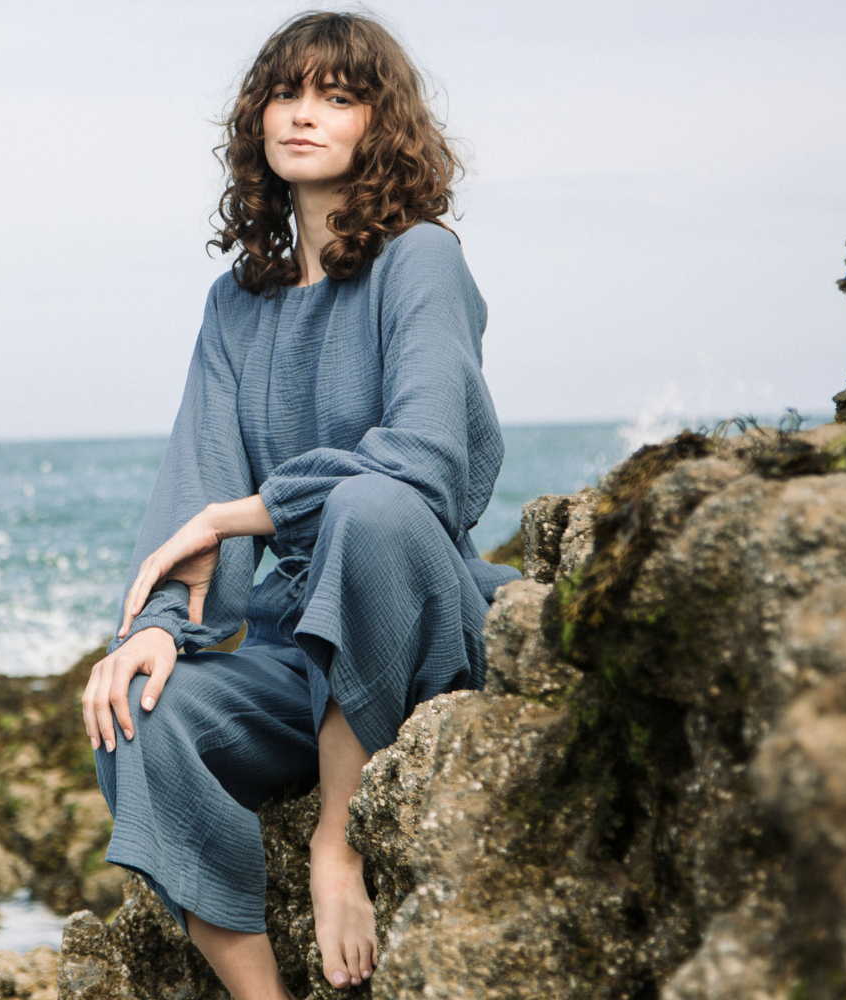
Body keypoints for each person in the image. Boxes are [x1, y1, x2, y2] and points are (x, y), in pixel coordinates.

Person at [79, 11, 520, 1000]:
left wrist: (244, 514)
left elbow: (423, 459)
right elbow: (194, 475)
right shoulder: (237, 302)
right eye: (287, 93)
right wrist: (152, 627)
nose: (304, 115)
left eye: (337, 95)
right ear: (257, 118)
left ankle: (335, 842)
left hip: (413, 612)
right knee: (135, 712)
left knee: (368, 508)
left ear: (381, 121)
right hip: (299, 643)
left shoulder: (420, 261)